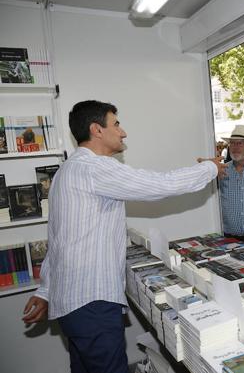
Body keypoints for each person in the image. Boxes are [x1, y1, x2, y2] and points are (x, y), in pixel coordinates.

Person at [21, 100, 226, 373]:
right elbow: (158, 184)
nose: (123, 132)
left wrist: (46, 290)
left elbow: (58, 238)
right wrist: (209, 169)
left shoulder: (66, 171)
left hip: (74, 302)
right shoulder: (94, 168)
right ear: (97, 130)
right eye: (116, 124)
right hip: (92, 302)